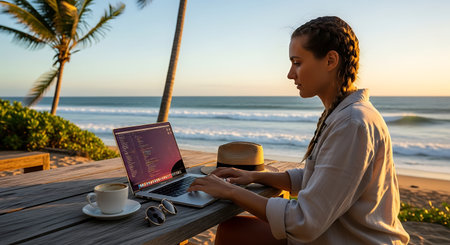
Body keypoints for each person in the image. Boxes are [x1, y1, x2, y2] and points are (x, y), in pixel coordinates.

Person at [188, 16, 410, 245]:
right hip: (334, 233)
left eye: (297, 62)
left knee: (232, 235)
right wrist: (253, 176)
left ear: (331, 60)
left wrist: (231, 191)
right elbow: (320, 177)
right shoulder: (342, 113)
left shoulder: (352, 123)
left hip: (355, 240)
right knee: (232, 231)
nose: (290, 74)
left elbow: (304, 222)